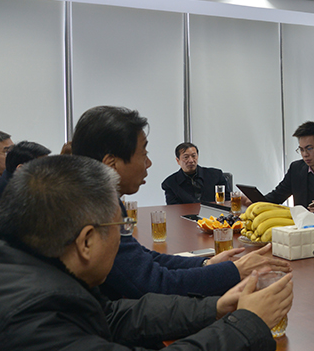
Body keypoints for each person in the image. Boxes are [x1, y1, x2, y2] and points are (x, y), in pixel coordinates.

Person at [0, 155, 292, 351]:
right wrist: (247, 325)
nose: (124, 238)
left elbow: (111, 315)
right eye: (121, 226)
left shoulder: (7, 266)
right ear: (86, 241)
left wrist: (216, 307)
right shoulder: (27, 326)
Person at [71, 106, 289, 299]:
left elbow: (145, 259)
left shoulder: (96, 198)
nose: (149, 162)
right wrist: (234, 272)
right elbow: (154, 283)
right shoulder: (97, 212)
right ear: (111, 163)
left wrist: (206, 263)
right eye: (143, 153)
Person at [162, 142, 230, 204]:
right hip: (186, 213)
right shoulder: (170, 183)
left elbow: (227, 201)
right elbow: (174, 208)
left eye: (194, 156)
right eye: (186, 157)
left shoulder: (216, 175)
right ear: (178, 160)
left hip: (214, 213)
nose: (191, 160)